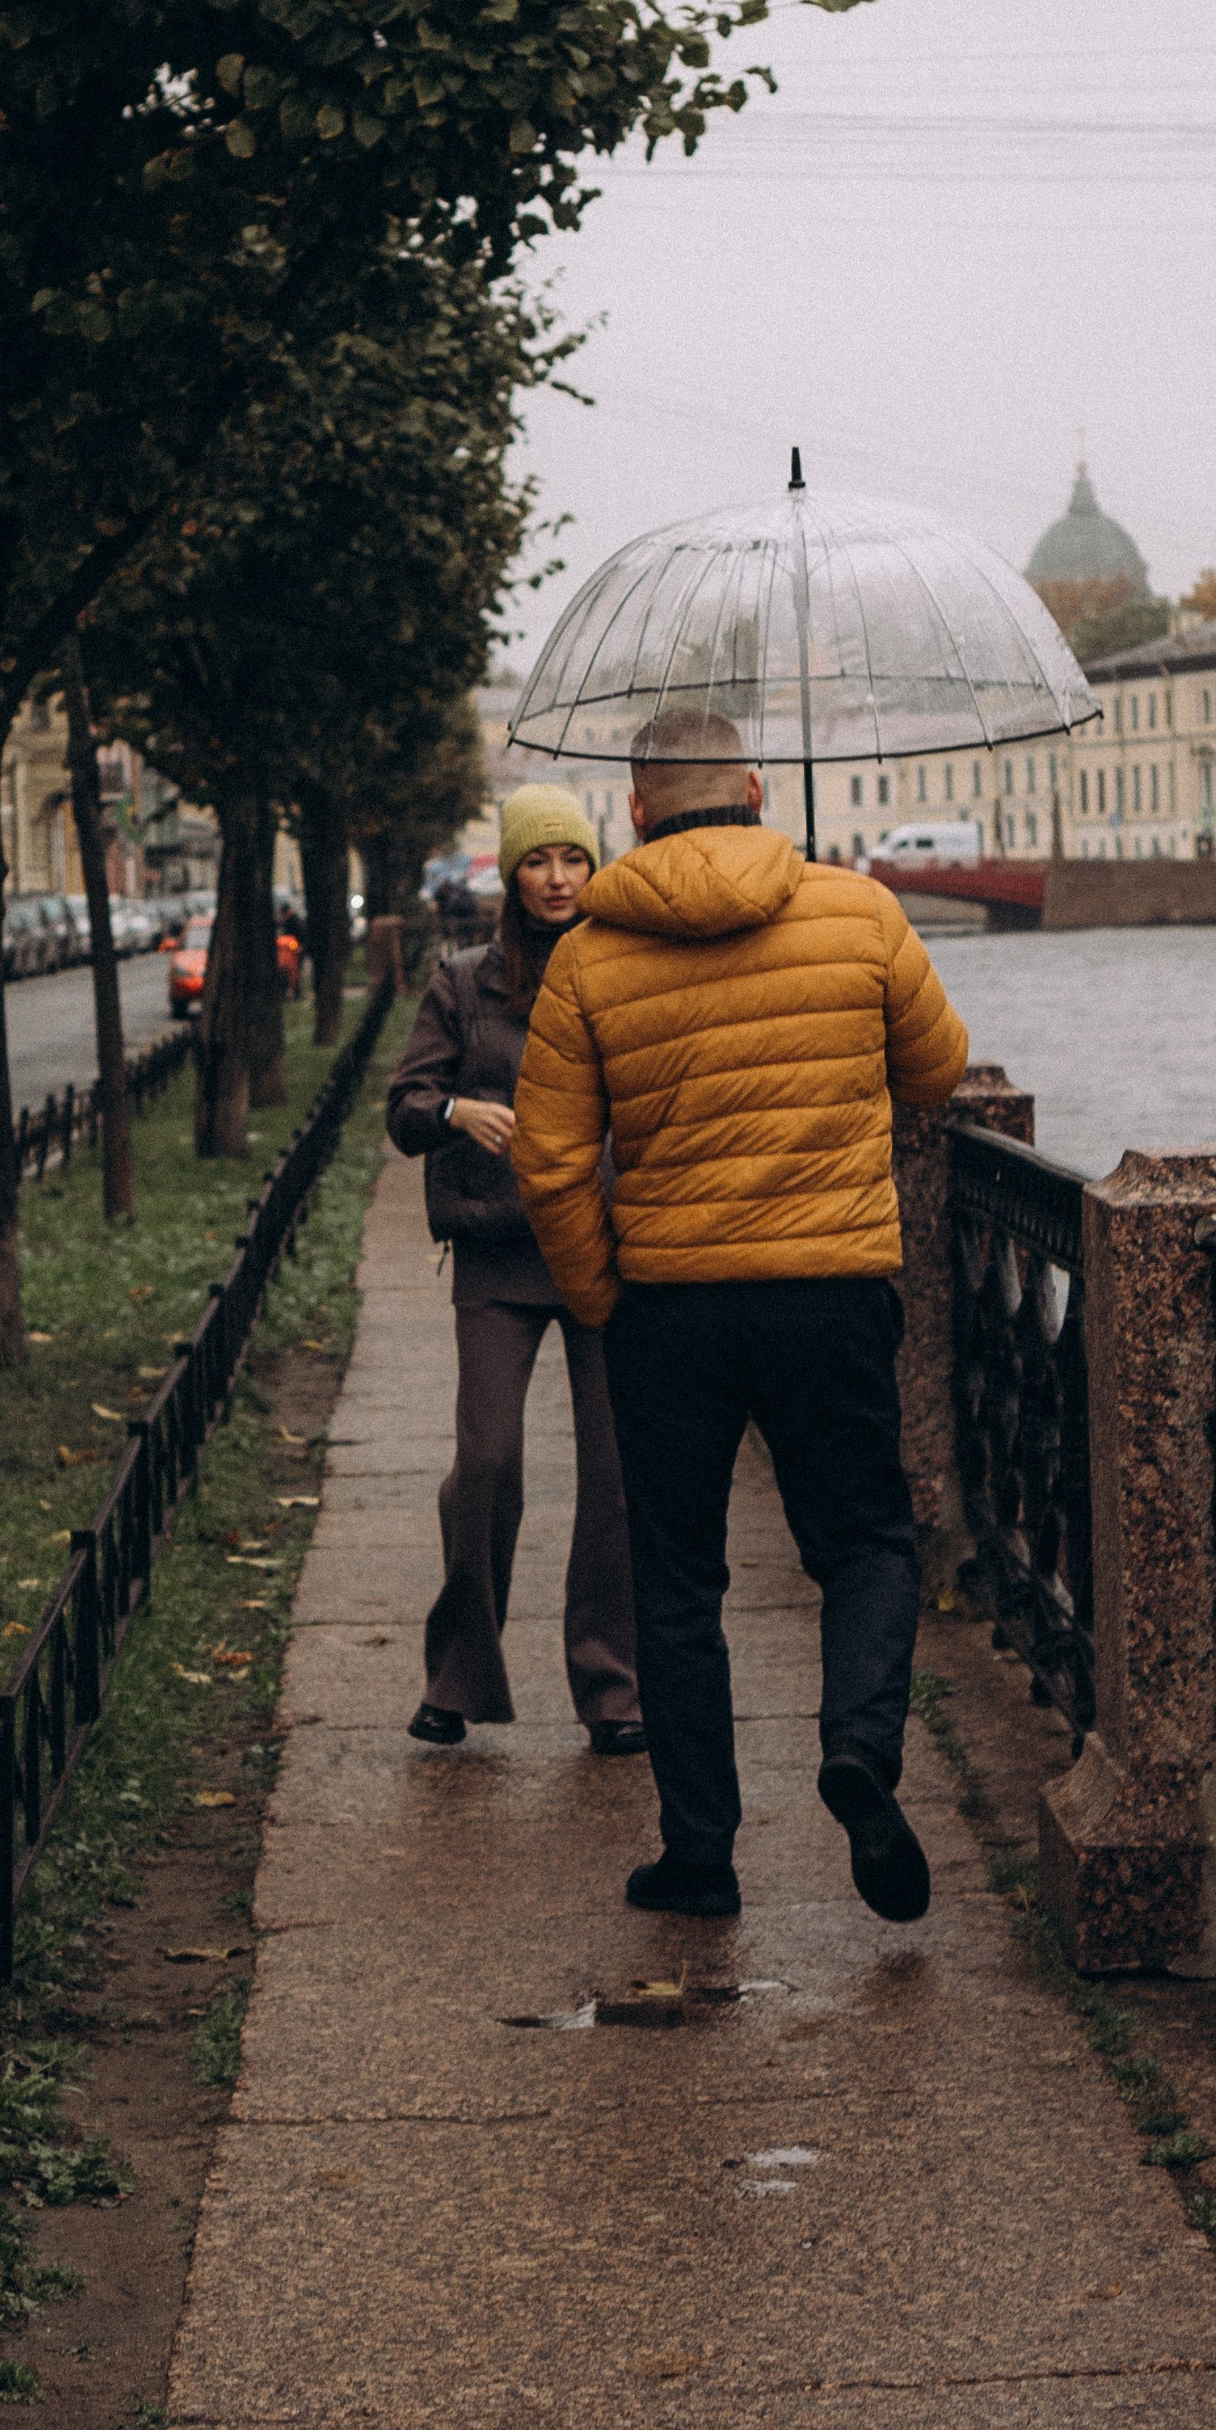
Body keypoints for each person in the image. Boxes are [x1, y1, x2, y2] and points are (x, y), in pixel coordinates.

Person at [511, 712, 969, 1922]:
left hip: (671, 1308)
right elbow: (936, 1071)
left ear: (636, 813)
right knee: (864, 1544)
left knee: (675, 1584)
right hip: (830, 1293)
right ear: (758, 792)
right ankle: (857, 1744)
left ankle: (700, 1856)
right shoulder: (859, 912)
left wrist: (600, 1293)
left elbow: (550, 1163)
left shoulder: (587, 957)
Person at [383, 790, 644, 1756]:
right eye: (539, 860)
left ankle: (612, 1690)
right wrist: (456, 1112)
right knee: (487, 1462)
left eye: (574, 858)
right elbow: (405, 1106)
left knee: (617, 1477)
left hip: (605, 1250)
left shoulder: (624, 968)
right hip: (498, 1248)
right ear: (510, 874)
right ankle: (458, 1678)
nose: (559, 878)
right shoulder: (464, 982)